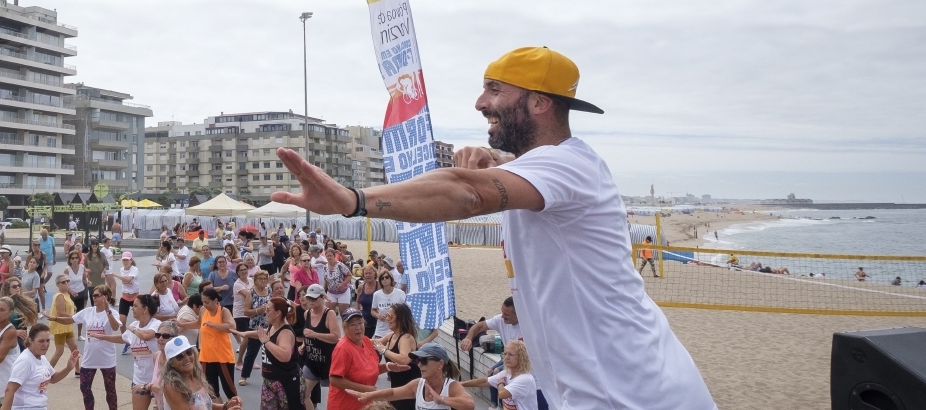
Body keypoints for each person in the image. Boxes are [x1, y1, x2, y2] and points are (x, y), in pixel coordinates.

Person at [269, 46, 714, 409]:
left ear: (540, 102)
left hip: (642, 395)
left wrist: (353, 201)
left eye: (494, 90)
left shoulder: (568, 165)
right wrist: (499, 160)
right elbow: (514, 171)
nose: (481, 102)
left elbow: (466, 192)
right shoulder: (556, 165)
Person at [45, 284, 121, 410]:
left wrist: (108, 311)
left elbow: (115, 327)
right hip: (89, 359)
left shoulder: (113, 313)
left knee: (110, 390)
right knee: (84, 387)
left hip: (107, 359)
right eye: (93, 295)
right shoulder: (88, 312)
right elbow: (70, 320)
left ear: (105, 297)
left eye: (97, 295)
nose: (94, 298)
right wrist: (55, 318)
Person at [346, 343, 474, 410]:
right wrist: (368, 396)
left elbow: (469, 405)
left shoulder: (451, 387)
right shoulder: (419, 384)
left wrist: (441, 400)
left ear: (440, 363)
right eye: (418, 361)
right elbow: (392, 394)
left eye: (424, 361)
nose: (419, 365)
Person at [89, 294, 162, 410]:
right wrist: (102, 337)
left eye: (135, 306)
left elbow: (147, 336)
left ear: (145, 309)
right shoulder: (134, 325)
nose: (132, 308)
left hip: (158, 380)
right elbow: (123, 338)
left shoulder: (156, 324)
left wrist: (133, 329)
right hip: (140, 380)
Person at [0, 324, 81, 410]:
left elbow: (53, 378)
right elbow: (9, 390)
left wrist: (68, 368)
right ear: (30, 340)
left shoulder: (41, 357)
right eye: (41, 341)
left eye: (48, 340)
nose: (46, 345)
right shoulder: (25, 361)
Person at [158, 336, 244, 410]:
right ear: (171, 363)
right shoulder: (172, 386)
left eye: (188, 352)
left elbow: (204, 405)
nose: (187, 358)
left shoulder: (196, 375)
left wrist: (225, 406)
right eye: (179, 356)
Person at [328, 309, 381, 410]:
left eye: (360, 323)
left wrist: (388, 367)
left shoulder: (365, 340)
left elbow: (367, 369)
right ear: (345, 328)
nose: (358, 328)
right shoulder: (343, 348)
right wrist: (365, 389)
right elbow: (334, 380)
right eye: (352, 324)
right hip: (344, 405)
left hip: (364, 404)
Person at [462, 339, 538, 410]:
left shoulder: (524, 378)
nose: (506, 358)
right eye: (505, 354)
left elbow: (502, 394)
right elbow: (484, 381)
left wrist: (500, 383)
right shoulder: (506, 373)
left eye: (511, 355)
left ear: (521, 357)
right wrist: (460, 384)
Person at [299, 284, 339, 410]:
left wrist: (315, 334)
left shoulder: (329, 314)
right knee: (302, 394)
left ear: (322, 298)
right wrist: (304, 344)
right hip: (311, 362)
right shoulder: (307, 314)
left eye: (314, 298)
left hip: (329, 363)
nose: (311, 301)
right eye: (309, 298)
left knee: (338, 397)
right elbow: (308, 334)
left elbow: (335, 337)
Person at [376, 304, 421, 410]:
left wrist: (384, 350)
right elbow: (373, 343)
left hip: (408, 387)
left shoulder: (406, 338)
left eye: (391, 316)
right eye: (387, 315)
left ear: (400, 319)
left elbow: (404, 359)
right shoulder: (391, 335)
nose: (387, 319)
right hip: (397, 385)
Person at [197, 287, 238, 400]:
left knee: (230, 391)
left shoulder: (223, 311)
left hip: (223, 357)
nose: (204, 305)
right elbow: (198, 324)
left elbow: (232, 327)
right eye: (203, 302)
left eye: (207, 302)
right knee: (212, 392)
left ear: (215, 300)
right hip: (206, 357)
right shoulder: (203, 310)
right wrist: (181, 324)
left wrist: (213, 325)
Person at [233, 268, 271, 384]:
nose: (263, 281)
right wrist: (259, 310)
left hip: (269, 325)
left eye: (265, 279)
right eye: (261, 279)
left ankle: (272, 376)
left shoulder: (269, 290)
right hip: (255, 326)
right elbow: (246, 311)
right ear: (255, 280)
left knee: (271, 352)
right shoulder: (251, 292)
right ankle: (244, 376)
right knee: (251, 352)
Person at [48, 273, 80, 367]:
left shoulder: (66, 294)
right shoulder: (59, 296)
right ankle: (47, 371)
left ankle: (78, 370)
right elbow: (61, 312)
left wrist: (73, 308)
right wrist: (74, 317)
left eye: (67, 281)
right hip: (60, 326)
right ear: (58, 284)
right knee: (59, 351)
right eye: (63, 282)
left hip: (67, 326)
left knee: (74, 348)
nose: (66, 283)